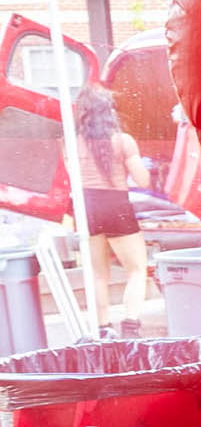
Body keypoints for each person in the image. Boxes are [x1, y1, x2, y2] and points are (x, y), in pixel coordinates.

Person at [73, 86, 151, 337]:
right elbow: (143, 181)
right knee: (137, 269)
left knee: (98, 273)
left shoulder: (71, 142)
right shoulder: (123, 141)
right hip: (116, 204)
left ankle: (103, 328)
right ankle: (130, 326)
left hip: (87, 207)